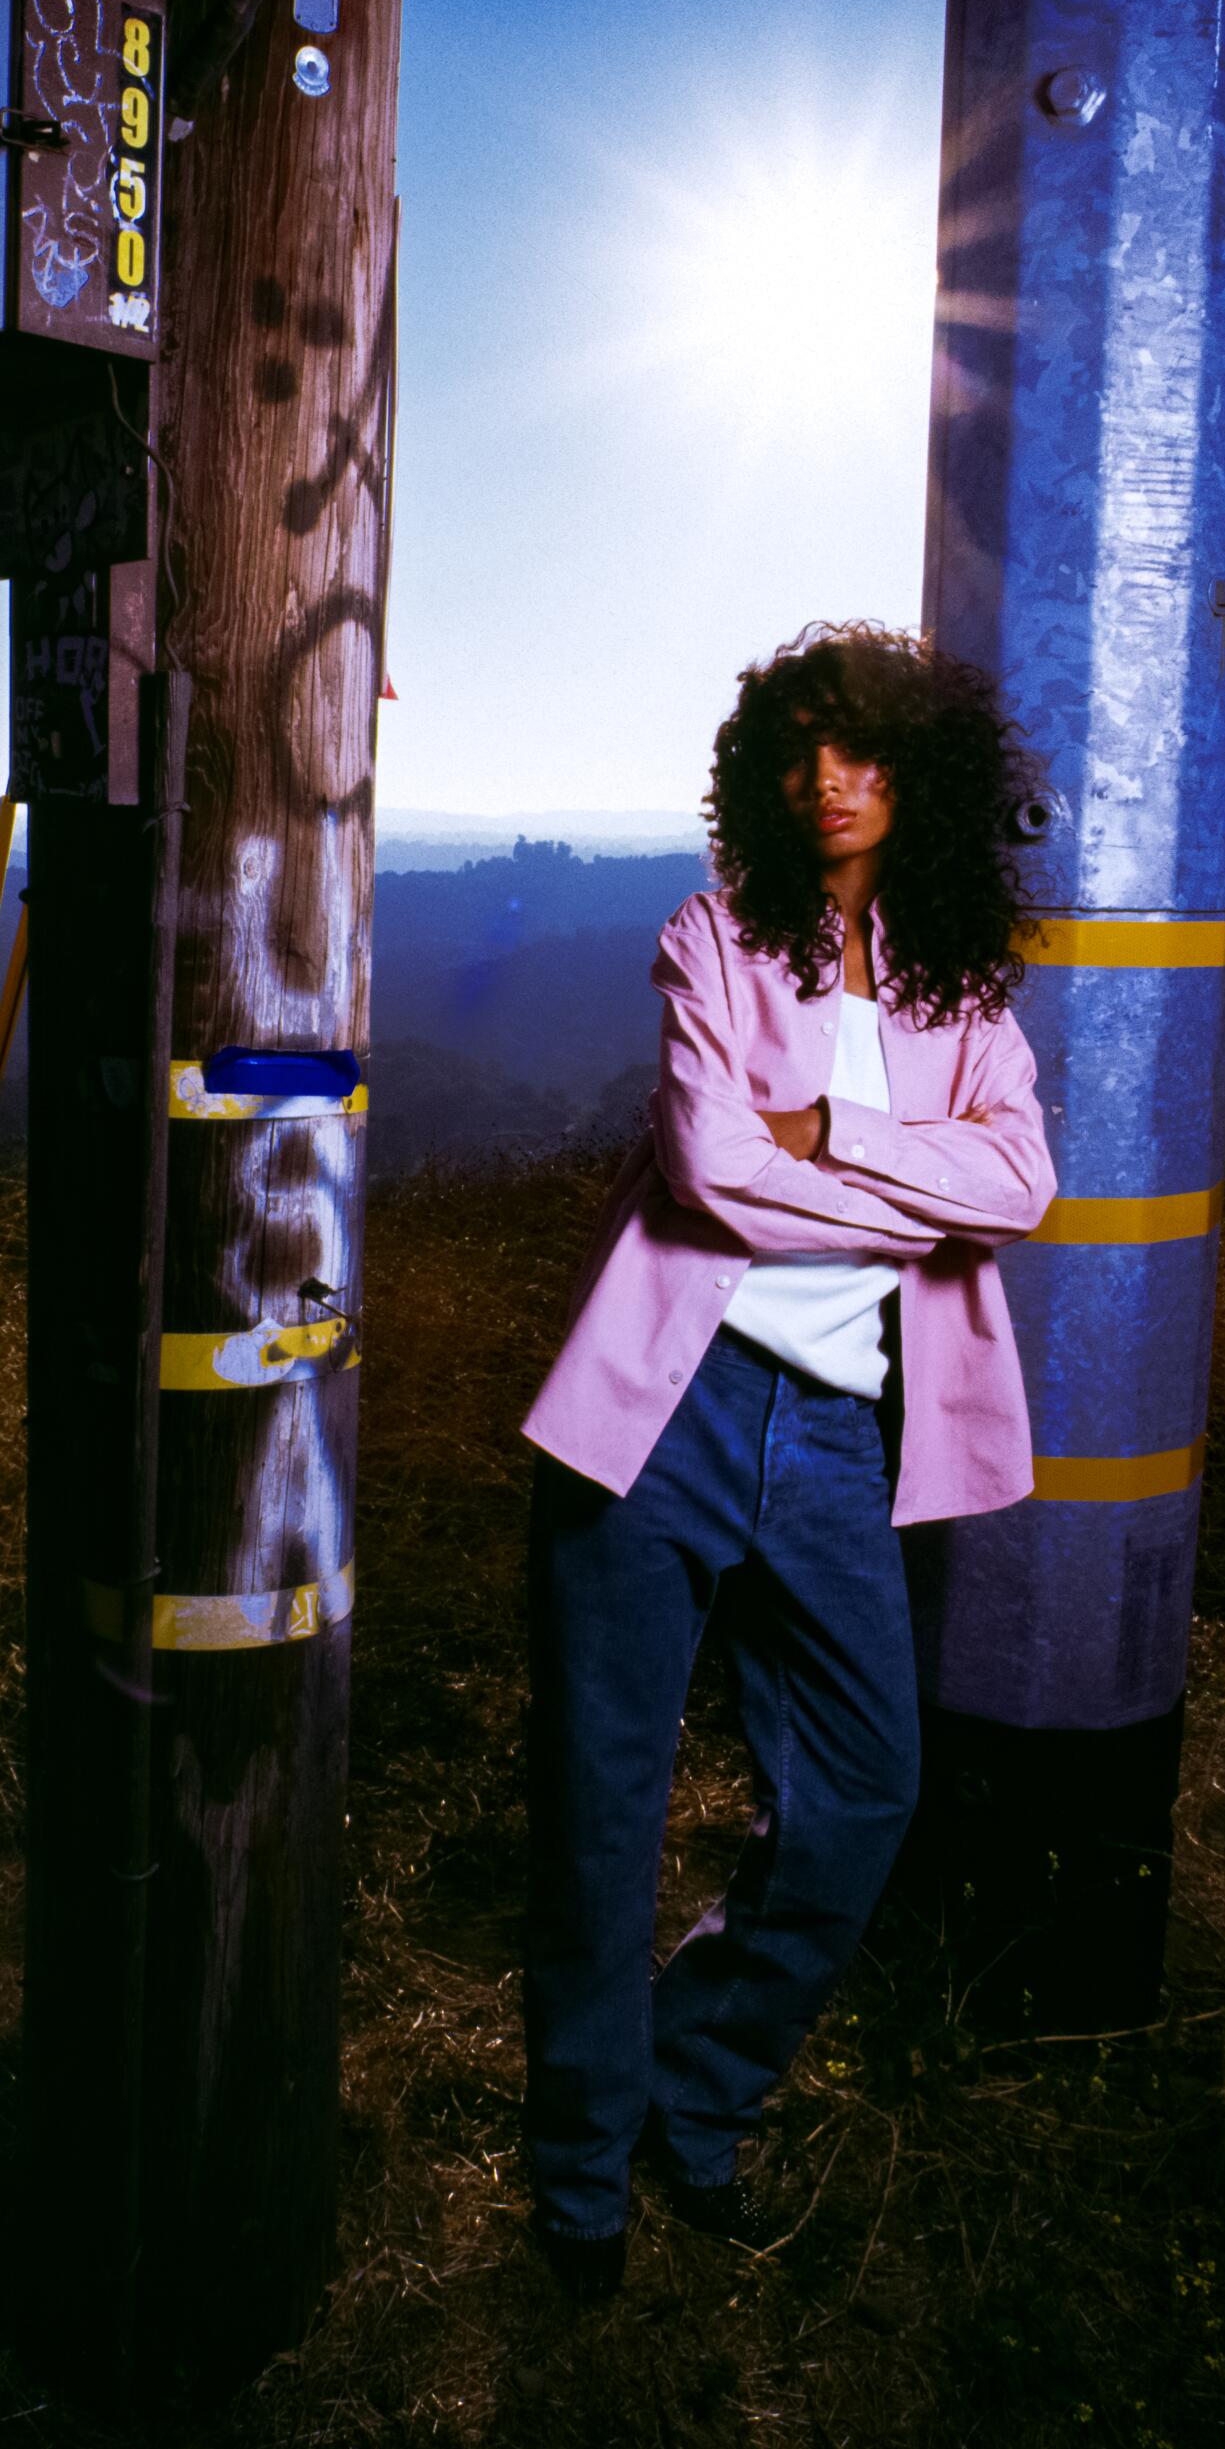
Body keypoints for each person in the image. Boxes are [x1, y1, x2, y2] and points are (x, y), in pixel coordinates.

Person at [517, 621, 1057, 2301]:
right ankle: (586, 2177)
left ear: (921, 776)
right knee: (605, 1816)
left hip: (832, 1442)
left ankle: (701, 2079)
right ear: (765, 773)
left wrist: (834, 1137)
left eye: (863, 747)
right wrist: (916, 1176)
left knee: (869, 1792)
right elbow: (711, 1179)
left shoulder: (962, 986)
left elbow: (1025, 1184)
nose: (828, 778)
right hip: (661, 1420)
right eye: (800, 747)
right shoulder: (711, 939)